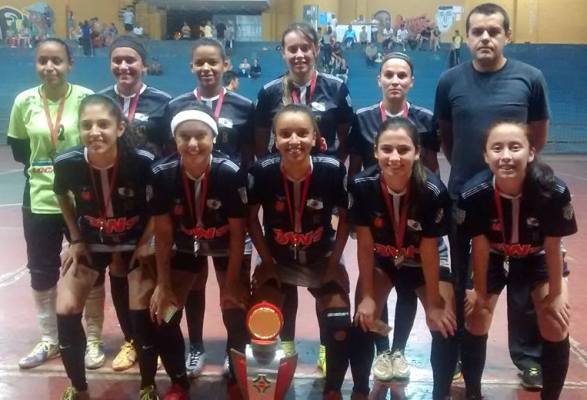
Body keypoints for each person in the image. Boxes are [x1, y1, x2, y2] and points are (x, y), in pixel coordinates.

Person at [434, 2, 550, 389]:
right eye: (478, 31)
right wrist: (471, 179)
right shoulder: (449, 81)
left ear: (507, 36)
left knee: (522, 278)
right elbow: (447, 138)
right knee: (465, 280)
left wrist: (511, 174)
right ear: (466, 37)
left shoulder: (530, 78)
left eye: (494, 31)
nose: (485, 37)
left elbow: (537, 135)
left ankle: (528, 357)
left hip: (517, 198)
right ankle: (460, 353)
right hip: (464, 200)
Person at [348, 52, 448, 383]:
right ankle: (382, 349)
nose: (394, 80)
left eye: (402, 75)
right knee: (369, 300)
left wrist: (426, 206)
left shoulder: (426, 121)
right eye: (388, 74)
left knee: (412, 291)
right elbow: (354, 167)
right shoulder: (362, 121)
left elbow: (431, 166)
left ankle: (399, 351)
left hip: (415, 229)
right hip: (378, 225)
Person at [53, 94, 161, 400]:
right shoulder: (67, 162)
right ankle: (78, 387)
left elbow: (159, 206)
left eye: (103, 124)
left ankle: (148, 386)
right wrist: (75, 238)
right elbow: (61, 194)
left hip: (133, 243)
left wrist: (146, 242)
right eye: (86, 125)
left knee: (140, 311)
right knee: (66, 308)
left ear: (120, 128)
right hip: (91, 243)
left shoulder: (142, 161)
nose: (95, 132)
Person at [458, 121, 576, 400]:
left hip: (537, 255)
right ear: (486, 155)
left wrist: (556, 294)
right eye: (497, 148)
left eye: (515, 147)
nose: (506, 156)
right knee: (477, 315)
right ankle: (473, 394)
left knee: (555, 320)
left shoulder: (553, 191)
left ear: (531, 152)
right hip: (494, 254)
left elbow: (553, 245)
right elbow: (480, 245)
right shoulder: (474, 194)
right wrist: (479, 292)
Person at [247, 104, 352, 399]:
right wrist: (267, 261)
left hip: (321, 257)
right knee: (261, 318)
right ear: (275, 138)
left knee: (339, 322)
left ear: (315, 137)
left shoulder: (332, 170)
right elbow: (251, 219)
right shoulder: (262, 171)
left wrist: (334, 261)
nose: (294, 140)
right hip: (278, 258)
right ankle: (282, 354)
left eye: (303, 133)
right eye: (285, 134)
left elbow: (346, 218)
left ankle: (332, 385)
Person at [350, 117, 458, 400]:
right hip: (384, 257)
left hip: (424, 260)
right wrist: (368, 297)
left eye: (403, 149)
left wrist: (434, 302)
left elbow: (430, 250)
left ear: (417, 152)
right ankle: (361, 390)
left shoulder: (433, 190)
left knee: (445, 325)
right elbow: (365, 245)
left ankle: (441, 395)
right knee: (362, 317)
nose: (394, 157)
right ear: (375, 151)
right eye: (387, 149)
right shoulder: (361, 185)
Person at [167, 38, 255, 377]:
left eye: (212, 62)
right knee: (194, 282)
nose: (206, 68)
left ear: (225, 65)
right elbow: (170, 153)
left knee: (233, 282)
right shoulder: (177, 105)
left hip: (227, 206)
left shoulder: (244, 106)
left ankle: (235, 348)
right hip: (189, 206)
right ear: (191, 65)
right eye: (199, 62)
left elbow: (250, 154)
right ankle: (196, 346)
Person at [149, 106, 250, 398]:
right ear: (175, 139)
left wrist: (232, 282)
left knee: (235, 309)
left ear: (213, 137)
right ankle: (179, 379)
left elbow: (238, 233)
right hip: (184, 245)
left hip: (226, 245)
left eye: (200, 136)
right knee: (165, 314)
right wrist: (163, 284)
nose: (192, 143)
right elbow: (163, 234)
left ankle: (235, 374)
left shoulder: (230, 172)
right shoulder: (161, 174)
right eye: (184, 137)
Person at [7, 38, 93, 371]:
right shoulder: (24, 101)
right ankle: (49, 338)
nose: (49, 67)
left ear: (70, 63)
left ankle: (93, 338)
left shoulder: (85, 98)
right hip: (39, 198)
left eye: (57, 60)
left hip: (80, 199)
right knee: (42, 269)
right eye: (43, 60)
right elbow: (20, 149)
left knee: (87, 266)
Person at [98, 35, 172, 372]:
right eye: (118, 60)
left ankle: (158, 338)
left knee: (152, 267)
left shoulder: (163, 102)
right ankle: (131, 339)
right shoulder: (101, 101)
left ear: (144, 64)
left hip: (152, 199)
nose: (124, 66)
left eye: (131, 60)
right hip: (113, 199)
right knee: (118, 266)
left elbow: (170, 151)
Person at [255, 22, 353, 162]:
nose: (299, 55)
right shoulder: (268, 93)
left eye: (305, 48)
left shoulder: (337, 88)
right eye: (292, 49)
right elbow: (260, 144)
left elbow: (345, 140)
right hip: (281, 170)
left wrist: (332, 166)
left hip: (324, 171)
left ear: (316, 49)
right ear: (283, 53)